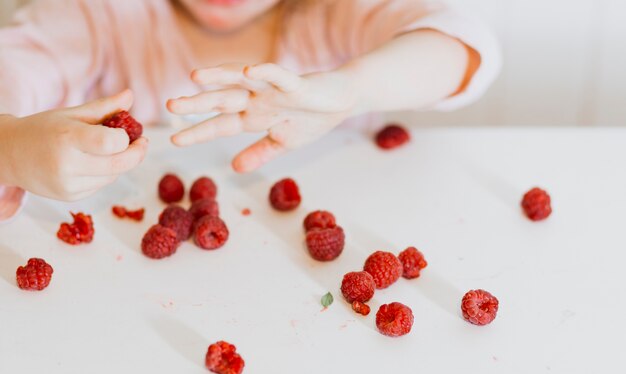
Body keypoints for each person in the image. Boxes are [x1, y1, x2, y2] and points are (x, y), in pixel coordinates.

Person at [0, 0, 501, 222]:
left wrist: (352, 89)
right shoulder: (101, 13)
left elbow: (462, 46)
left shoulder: (336, 13)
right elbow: (14, 68)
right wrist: (12, 145)